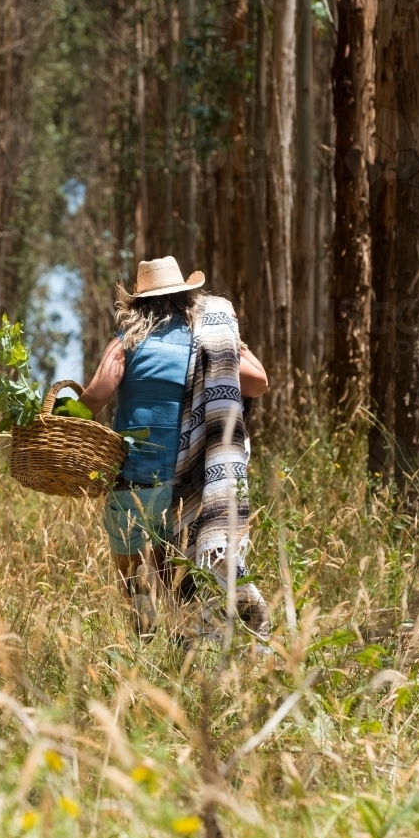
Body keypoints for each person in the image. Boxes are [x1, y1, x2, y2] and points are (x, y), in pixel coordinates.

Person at [80, 256, 269, 643]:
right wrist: (236, 344)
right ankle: (182, 648)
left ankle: (144, 642)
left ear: (136, 303)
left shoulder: (125, 342)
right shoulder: (206, 341)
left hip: (131, 480)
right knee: (175, 575)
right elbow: (258, 382)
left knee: (134, 576)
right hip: (184, 481)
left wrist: (61, 418)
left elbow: (97, 395)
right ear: (187, 297)